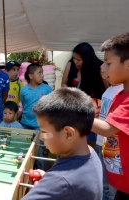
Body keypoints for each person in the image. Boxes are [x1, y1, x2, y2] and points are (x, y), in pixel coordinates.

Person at [22, 87, 102, 200]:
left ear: (68, 134)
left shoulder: (60, 181)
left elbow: (64, 183)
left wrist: (51, 185)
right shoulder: (89, 152)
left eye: (44, 132)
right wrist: (47, 179)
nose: (41, 137)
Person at [91, 32, 129, 199]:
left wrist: (71, 112)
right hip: (120, 183)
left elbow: (106, 129)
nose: (103, 68)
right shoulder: (118, 94)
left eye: (108, 63)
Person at [61, 42, 106, 148]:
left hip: (93, 112)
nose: (75, 62)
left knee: (89, 141)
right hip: (75, 109)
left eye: (79, 60)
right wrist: (70, 93)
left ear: (87, 59)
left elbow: (107, 90)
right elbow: (64, 83)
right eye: (74, 58)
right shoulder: (71, 64)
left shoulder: (99, 68)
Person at [96, 63, 121, 200]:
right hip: (102, 142)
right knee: (104, 182)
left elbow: (110, 127)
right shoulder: (110, 89)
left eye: (109, 63)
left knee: (112, 186)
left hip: (113, 146)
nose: (103, 67)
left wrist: (79, 115)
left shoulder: (122, 91)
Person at [20, 63, 52, 130]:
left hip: (40, 125)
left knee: (38, 140)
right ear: (31, 76)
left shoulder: (47, 89)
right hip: (25, 123)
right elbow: (24, 104)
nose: (42, 75)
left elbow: (51, 105)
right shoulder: (24, 90)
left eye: (42, 73)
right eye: (39, 73)